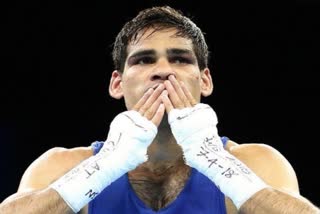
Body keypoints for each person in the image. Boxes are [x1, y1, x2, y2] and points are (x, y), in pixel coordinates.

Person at [0, 5, 319, 214]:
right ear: (117, 84)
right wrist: (107, 164)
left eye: (180, 59)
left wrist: (216, 161)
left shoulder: (255, 163)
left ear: (205, 81)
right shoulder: (66, 166)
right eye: (144, 60)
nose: (163, 70)